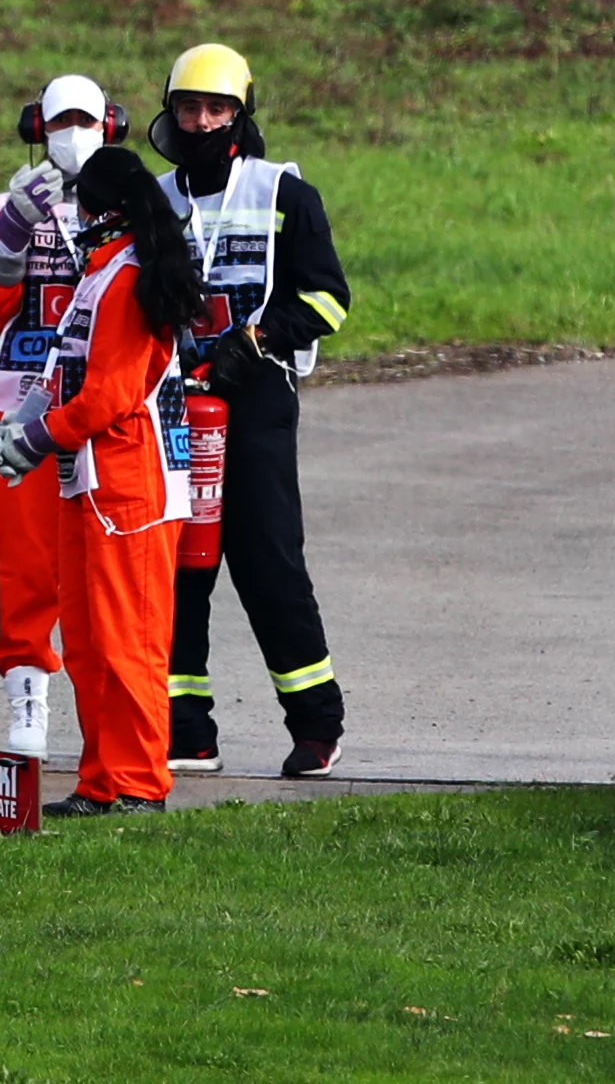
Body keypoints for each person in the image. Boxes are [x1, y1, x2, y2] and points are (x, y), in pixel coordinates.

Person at [146, 44, 352, 779]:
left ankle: (317, 725)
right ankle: (186, 729)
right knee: (175, 566)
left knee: (267, 560)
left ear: (240, 114)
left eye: (216, 108)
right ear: (169, 112)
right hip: (172, 402)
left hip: (257, 396)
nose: (201, 121)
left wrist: (256, 340)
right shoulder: (156, 201)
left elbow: (328, 298)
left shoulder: (285, 194)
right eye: (188, 107)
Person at [0, 147, 202, 817]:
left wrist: (39, 438)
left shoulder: (133, 278)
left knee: (126, 641)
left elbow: (108, 395)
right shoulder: (98, 276)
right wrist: (22, 424)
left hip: (131, 486)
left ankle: (138, 784)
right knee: (85, 642)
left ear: (102, 209)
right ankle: (102, 779)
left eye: (81, 202)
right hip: (89, 482)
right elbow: (60, 373)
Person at [0, 75, 126, 755]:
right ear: (39, 127)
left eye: (86, 120)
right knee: (27, 568)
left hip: (98, 410)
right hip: (16, 407)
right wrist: (13, 229)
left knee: (103, 572)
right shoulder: (5, 204)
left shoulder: (131, 205)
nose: (73, 132)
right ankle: (27, 699)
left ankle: (112, 720)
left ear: (109, 126)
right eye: (61, 121)